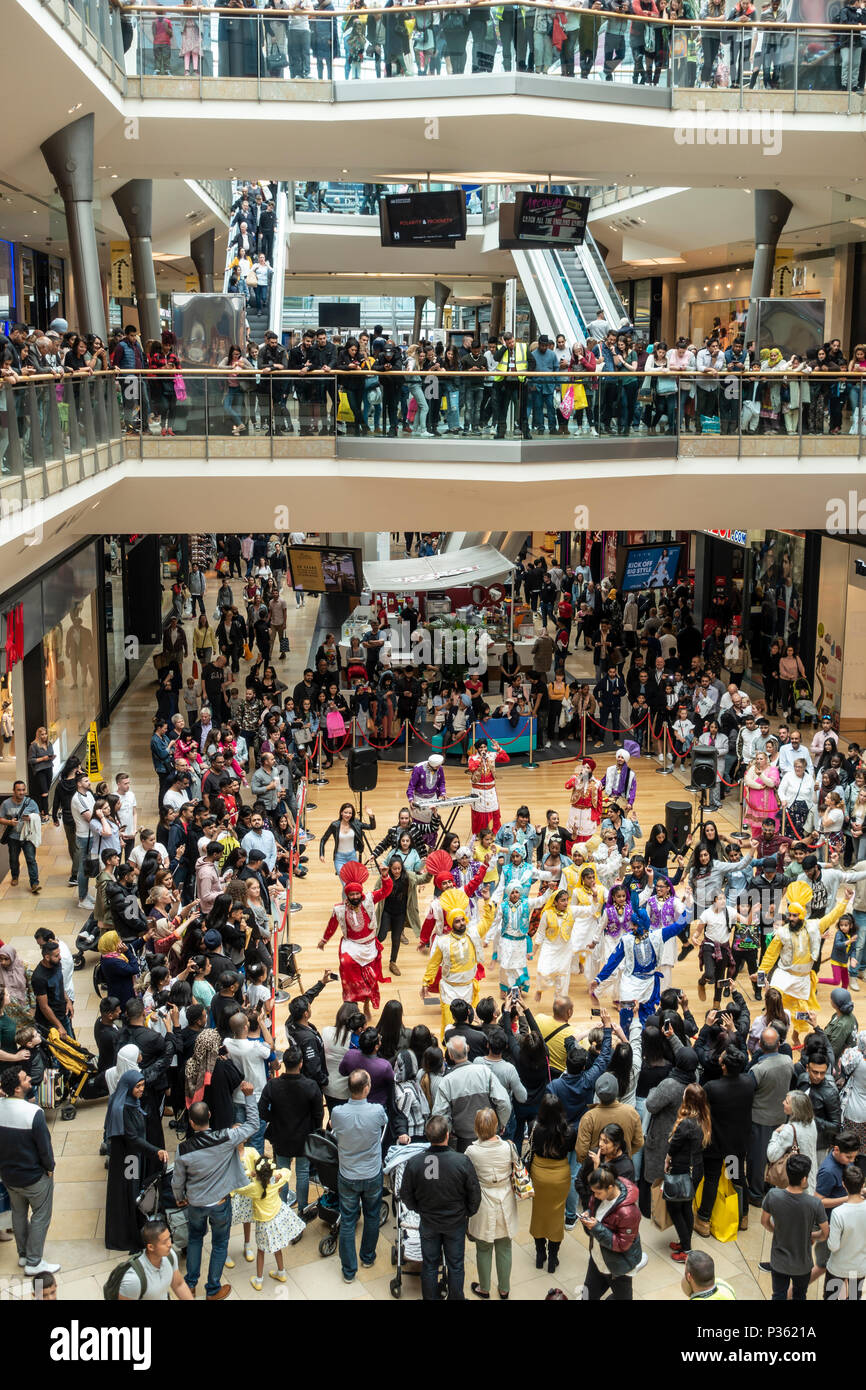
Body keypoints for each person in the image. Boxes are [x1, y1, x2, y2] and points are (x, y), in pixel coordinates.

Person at [172, 1082, 260, 1300]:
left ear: (191, 1123)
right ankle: (212, 1289)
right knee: (220, 1243)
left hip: (195, 1204)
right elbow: (253, 1125)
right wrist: (249, 1096)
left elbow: (177, 1180)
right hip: (220, 1204)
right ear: (209, 1115)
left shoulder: (183, 1149)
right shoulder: (226, 1137)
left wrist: (179, 1197)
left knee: (195, 1240)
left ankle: (190, 1285)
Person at [400, 1113, 482, 1301]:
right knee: (456, 1264)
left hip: (429, 1222)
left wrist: (419, 1209)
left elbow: (406, 1194)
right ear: (448, 1135)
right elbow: (475, 1194)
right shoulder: (462, 1161)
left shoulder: (415, 1163)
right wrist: (467, 1213)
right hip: (455, 1223)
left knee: (429, 1265)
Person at [329, 1068, 390, 1283]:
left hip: (347, 1175)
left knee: (347, 1220)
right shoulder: (376, 1111)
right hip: (372, 1174)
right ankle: (367, 1257)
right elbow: (383, 1123)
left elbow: (334, 1129)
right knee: (372, 1216)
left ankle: (348, 1271)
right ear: (366, 1089)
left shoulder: (337, 1112)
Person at [0, 1065, 58, 1277]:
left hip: (9, 1176)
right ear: (17, 1089)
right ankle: (34, 1261)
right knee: (41, 1216)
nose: (29, 1081)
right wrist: (50, 1168)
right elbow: (45, 1147)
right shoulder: (34, 1113)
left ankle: (23, 1255)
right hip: (34, 1178)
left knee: (18, 1213)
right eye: (25, 1079)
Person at [104, 1069, 169, 1254]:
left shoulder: (128, 1102)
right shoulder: (124, 1108)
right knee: (131, 1194)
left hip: (132, 1157)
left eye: (142, 1085)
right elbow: (132, 1138)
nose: (141, 1089)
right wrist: (155, 1151)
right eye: (138, 1086)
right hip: (129, 1159)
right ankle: (130, 1234)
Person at [319, 859, 392, 1021]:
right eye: (351, 894)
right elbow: (332, 925)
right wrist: (324, 940)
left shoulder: (370, 900)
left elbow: (386, 891)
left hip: (369, 946)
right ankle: (351, 1002)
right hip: (351, 946)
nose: (355, 896)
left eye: (357, 893)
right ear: (347, 895)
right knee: (346, 964)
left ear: (361, 893)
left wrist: (385, 876)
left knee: (370, 979)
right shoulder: (339, 909)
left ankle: (366, 1003)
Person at [465, 1107, 519, 1300]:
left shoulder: (472, 1151)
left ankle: (484, 1288)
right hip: (505, 1198)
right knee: (505, 1246)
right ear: (496, 1126)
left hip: (484, 1201)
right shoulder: (508, 1147)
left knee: (484, 1247)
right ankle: (504, 1289)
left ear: (477, 1128)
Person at [230, 1151, 305, 1291]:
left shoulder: (254, 1188)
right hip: (276, 1217)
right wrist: (277, 1174)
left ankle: (259, 1280)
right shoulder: (275, 1181)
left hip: (264, 1224)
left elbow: (237, 1188)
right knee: (277, 1248)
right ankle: (281, 1272)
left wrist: (248, 1174)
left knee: (261, 1251)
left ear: (257, 1173)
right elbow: (287, 1171)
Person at [761, 1153, 828, 1301]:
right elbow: (825, 1232)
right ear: (804, 1178)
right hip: (802, 1265)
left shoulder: (773, 1195)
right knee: (799, 1296)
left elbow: (764, 1221)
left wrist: (776, 1230)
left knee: (778, 1295)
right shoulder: (814, 1204)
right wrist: (812, 1236)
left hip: (779, 1262)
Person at [431, 1035, 510, 1151]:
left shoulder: (446, 1082)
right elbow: (504, 1102)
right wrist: (501, 1123)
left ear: (451, 1055)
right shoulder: (484, 1072)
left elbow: (439, 1114)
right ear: (467, 1048)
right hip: (490, 1136)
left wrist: (449, 1131)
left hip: (464, 1141)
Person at [578, 1164, 644, 1302]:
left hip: (618, 1266)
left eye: (598, 1192)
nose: (594, 1196)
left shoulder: (628, 1213)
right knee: (587, 1296)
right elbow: (597, 1213)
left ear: (610, 1187)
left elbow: (621, 1244)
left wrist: (596, 1227)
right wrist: (589, 1214)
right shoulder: (599, 1196)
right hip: (597, 1258)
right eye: (593, 1192)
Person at [116, 1217, 194, 1301]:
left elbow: (179, 1285)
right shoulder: (133, 1280)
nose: (169, 1244)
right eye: (164, 1242)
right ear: (151, 1247)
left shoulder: (170, 1254)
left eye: (169, 1238)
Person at [826, 1164, 866, 1301]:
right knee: (854, 1297)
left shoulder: (838, 1213)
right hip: (859, 1267)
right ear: (863, 1184)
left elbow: (833, 1246)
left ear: (843, 1184)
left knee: (832, 1298)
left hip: (838, 1267)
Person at [0, 781, 41, 894]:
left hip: (27, 837)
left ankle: (34, 883)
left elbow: (38, 816)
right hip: (13, 837)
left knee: (31, 859)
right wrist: (9, 822)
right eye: (19, 790)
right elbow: (0, 818)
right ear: (14, 791)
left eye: (23, 790)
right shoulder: (6, 804)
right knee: (13, 859)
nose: (21, 792)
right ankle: (15, 876)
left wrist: (31, 818)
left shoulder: (31, 803)